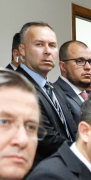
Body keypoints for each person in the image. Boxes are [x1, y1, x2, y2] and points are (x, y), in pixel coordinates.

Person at [15, 21, 77, 167]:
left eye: (52, 45)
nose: (47, 51)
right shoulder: (17, 86)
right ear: (22, 50)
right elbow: (45, 139)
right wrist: (87, 152)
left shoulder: (54, 89)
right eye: (39, 44)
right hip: (40, 174)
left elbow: (72, 130)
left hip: (68, 169)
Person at [53, 40, 91, 122]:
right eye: (80, 61)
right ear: (63, 66)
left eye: (90, 62)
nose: (88, 67)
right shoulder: (54, 95)